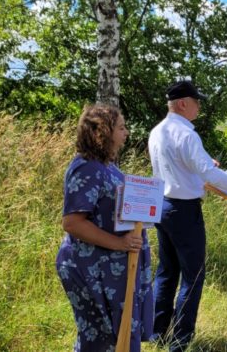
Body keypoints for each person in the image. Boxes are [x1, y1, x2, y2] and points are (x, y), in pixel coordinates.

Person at [148, 80, 227, 352]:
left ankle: (158, 333)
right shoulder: (187, 134)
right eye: (196, 100)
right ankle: (180, 342)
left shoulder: (157, 131)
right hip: (184, 210)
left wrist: (205, 167)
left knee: (166, 272)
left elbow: (184, 167)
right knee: (192, 276)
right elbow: (207, 173)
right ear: (183, 103)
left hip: (162, 205)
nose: (199, 105)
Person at [56, 104, 154, 352]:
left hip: (114, 269)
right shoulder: (86, 168)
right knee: (100, 339)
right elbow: (73, 222)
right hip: (93, 269)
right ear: (103, 132)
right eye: (121, 127)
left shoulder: (106, 166)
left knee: (118, 336)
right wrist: (120, 244)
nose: (127, 133)